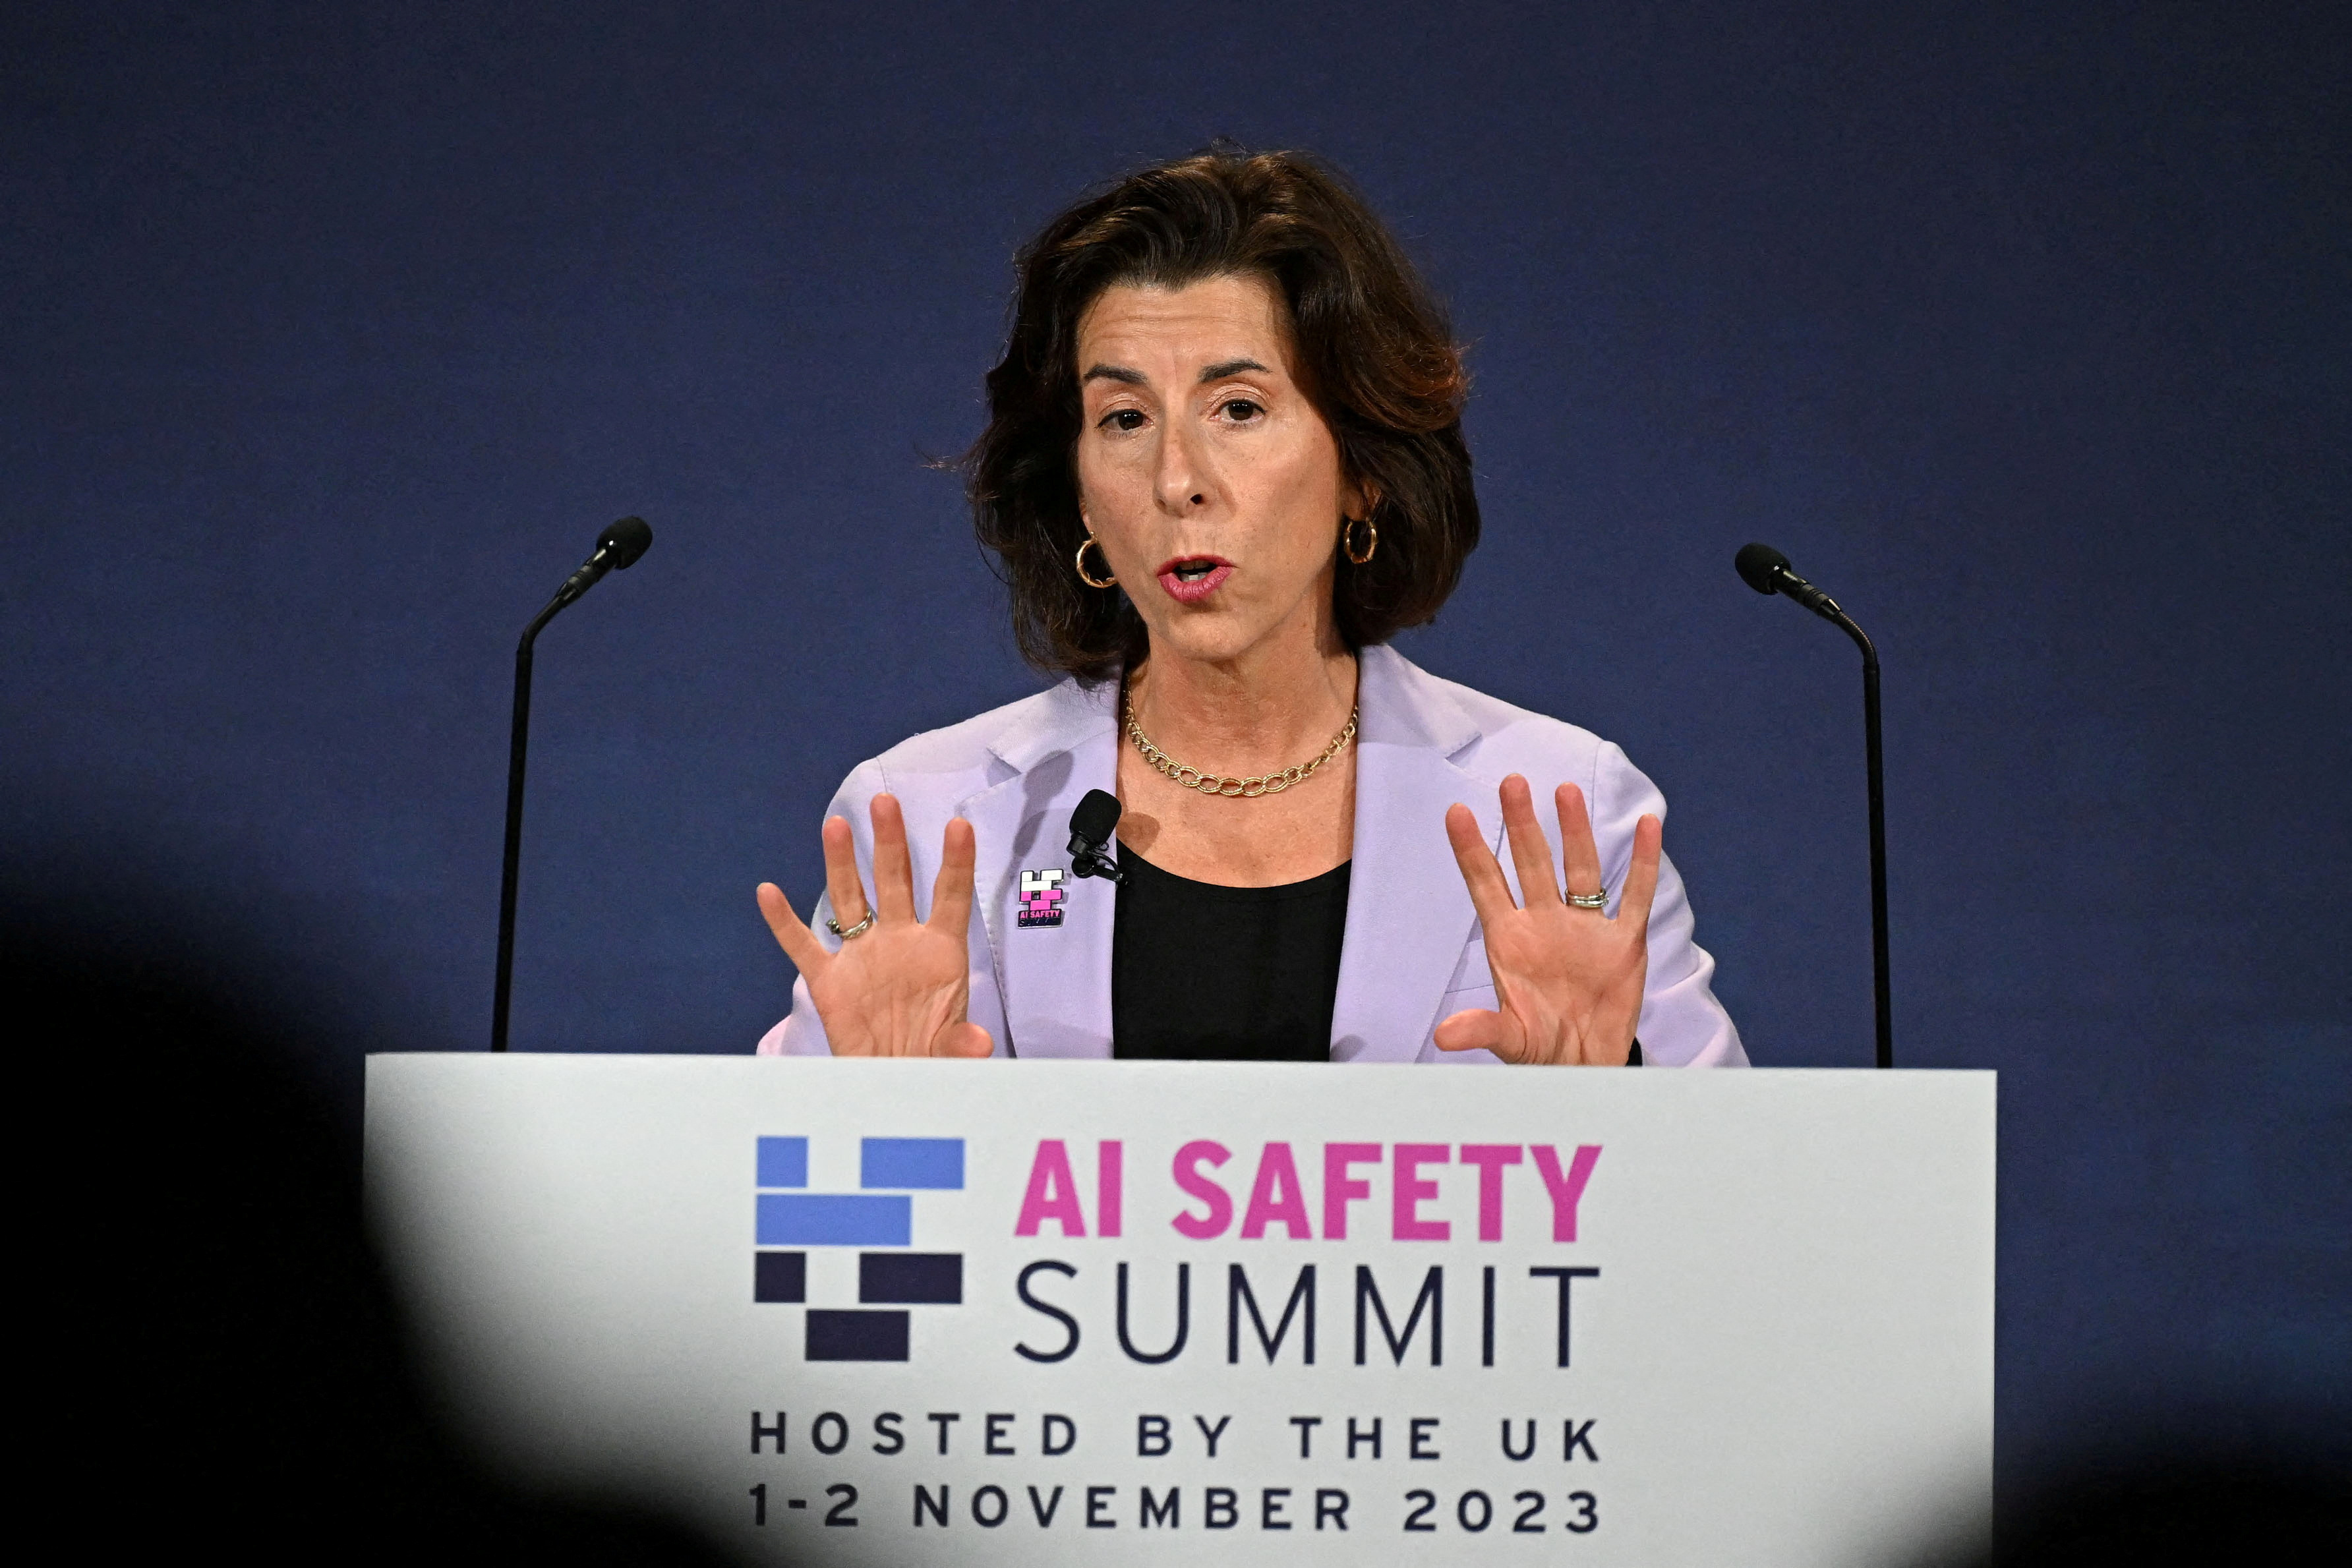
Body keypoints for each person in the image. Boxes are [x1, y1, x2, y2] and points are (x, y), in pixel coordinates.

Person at [757, 147, 1745, 1068]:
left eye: (1239, 408)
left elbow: (1735, 1207)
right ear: (1078, 494)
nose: (1178, 478)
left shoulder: (1564, 812)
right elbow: (788, 1216)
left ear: (1363, 470)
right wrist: (868, 1112)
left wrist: (1609, 1109)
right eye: (1125, 419)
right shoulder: (930, 820)